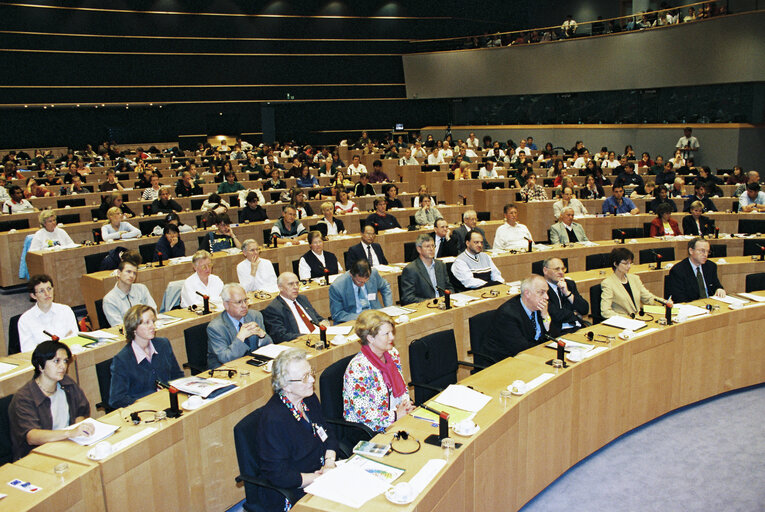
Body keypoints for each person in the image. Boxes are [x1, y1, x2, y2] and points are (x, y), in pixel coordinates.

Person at [253, 349, 338, 511]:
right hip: (294, 490)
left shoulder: (309, 399)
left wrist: (329, 463)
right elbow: (279, 475)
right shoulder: (274, 420)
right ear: (286, 386)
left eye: (311, 373)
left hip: (323, 474)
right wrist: (318, 477)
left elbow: (328, 434)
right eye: (305, 377)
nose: (312, 379)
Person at [9, 340, 91, 460]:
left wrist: (80, 429)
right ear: (40, 366)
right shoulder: (24, 398)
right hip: (38, 456)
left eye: (65, 361)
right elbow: (32, 436)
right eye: (56, 361)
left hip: (69, 445)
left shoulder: (67, 384)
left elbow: (81, 411)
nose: (63, 366)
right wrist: (70, 433)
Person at [343, 310, 414, 432]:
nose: (392, 337)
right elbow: (362, 413)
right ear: (370, 338)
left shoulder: (392, 353)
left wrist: (405, 404)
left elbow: (402, 386)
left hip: (395, 417)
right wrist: (395, 415)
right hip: (368, 429)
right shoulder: (358, 368)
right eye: (387, 334)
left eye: (392, 332)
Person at [108, 305, 184, 409]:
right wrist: (150, 399)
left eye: (153, 321)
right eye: (147, 322)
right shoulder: (122, 359)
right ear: (134, 328)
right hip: (144, 410)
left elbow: (177, 375)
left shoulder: (163, 344)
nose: (152, 326)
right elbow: (117, 399)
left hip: (169, 403)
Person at [484, 275, 551, 362]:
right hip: (506, 362)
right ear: (527, 293)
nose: (546, 297)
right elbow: (521, 349)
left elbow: (550, 335)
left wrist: (545, 316)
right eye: (541, 292)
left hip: (531, 355)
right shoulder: (508, 314)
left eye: (546, 292)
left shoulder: (539, 307)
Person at [207, 283, 272, 369]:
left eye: (245, 300)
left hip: (252, 365)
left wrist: (262, 336)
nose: (244, 305)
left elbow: (269, 348)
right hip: (226, 370)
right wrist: (240, 338)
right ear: (226, 305)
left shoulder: (255, 316)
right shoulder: (216, 327)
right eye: (239, 302)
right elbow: (225, 358)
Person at [601, 247, 671, 319]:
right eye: (625, 263)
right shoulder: (608, 283)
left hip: (638, 319)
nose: (629, 266)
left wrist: (664, 302)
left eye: (630, 263)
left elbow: (648, 298)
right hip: (623, 322)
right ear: (615, 264)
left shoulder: (634, 278)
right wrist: (625, 318)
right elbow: (605, 311)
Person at [262, 272, 329, 343]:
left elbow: (317, 318)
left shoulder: (302, 299)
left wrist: (325, 322)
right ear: (280, 287)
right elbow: (280, 336)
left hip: (319, 338)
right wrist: (308, 337)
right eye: (291, 284)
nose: (296, 287)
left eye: (297, 283)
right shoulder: (274, 308)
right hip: (301, 342)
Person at [18, 275, 78, 353]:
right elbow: (28, 350)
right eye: (42, 291)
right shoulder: (25, 320)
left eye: (49, 289)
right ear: (33, 295)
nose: (47, 293)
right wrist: (62, 342)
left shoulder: (65, 310)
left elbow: (74, 339)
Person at [400, 233, 454, 305]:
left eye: (433, 246)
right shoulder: (411, 269)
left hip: (443, 304)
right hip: (425, 307)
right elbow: (407, 297)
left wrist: (446, 297)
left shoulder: (440, 265)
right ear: (419, 249)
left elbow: (449, 287)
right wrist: (430, 302)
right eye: (427, 246)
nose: (431, 249)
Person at [666, 238, 725, 303]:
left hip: (710, 304)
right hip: (691, 307)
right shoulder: (678, 270)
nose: (705, 254)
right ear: (691, 251)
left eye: (707, 251)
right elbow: (679, 298)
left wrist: (719, 289)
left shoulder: (711, 266)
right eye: (702, 251)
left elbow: (717, 285)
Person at [542, 258, 589, 336]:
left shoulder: (569, 284)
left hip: (577, 328)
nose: (561, 272)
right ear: (545, 270)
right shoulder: (541, 288)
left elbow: (584, 309)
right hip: (557, 332)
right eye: (557, 269)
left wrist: (567, 293)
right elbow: (555, 315)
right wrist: (575, 314)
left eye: (563, 269)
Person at [102, 260, 157, 327]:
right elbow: (118, 326)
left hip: (146, 328)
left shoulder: (142, 289)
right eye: (128, 272)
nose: (132, 276)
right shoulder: (109, 299)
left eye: (134, 273)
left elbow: (153, 311)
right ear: (119, 273)